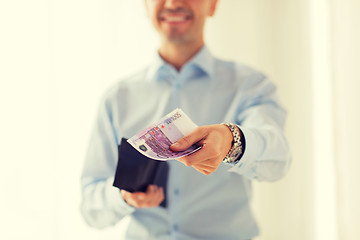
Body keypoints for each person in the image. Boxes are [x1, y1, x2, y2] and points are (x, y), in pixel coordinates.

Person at [80, 0, 291, 239]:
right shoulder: (117, 98)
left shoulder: (251, 86)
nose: (172, 3)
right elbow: (90, 208)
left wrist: (232, 141)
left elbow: (278, 158)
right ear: (145, 5)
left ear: (212, 5)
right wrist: (123, 196)